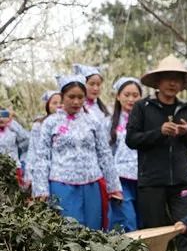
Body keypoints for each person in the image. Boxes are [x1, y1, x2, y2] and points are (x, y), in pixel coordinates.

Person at [126, 55, 187, 251]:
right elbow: (131, 140)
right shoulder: (143, 107)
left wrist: (186, 133)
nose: (172, 83)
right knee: (154, 234)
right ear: (158, 82)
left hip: (182, 181)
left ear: (182, 84)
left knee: (185, 230)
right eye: (167, 78)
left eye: (177, 79)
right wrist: (159, 132)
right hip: (151, 181)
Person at [32, 74, 122, 229]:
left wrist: (114, 187)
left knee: (93, 230)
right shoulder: (50, 123)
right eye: (71, 97)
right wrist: (41, 189)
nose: (76, 102)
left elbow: (105, 154)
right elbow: (42, 157)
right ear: (62, 97)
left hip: (92, 184)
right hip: (61, 185)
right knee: (67, 232)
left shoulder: (93, 121)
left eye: (80, 97)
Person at [106, 77, 143, 232]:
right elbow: (105, 153)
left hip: (143, 178)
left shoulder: (146, 120)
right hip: (120, 179)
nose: (131, 99)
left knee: (142, 221)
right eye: (127, 94)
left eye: (135, 95)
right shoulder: (108, 122)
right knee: (127, 220)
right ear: (118, 96)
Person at [23, 91, 62, 188]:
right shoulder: (39, 125)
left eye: (61, 102)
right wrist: (29, 173)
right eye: (54, 103)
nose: (58, 106)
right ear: (48, 105)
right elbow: (33, 149)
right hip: (43, 170)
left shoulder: (69, 124)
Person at [0, 106, 29, 186]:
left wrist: (11, 123)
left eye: (4, 115)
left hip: (13, 168)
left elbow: (26, 140)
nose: (1, 119)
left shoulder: (12, 128)